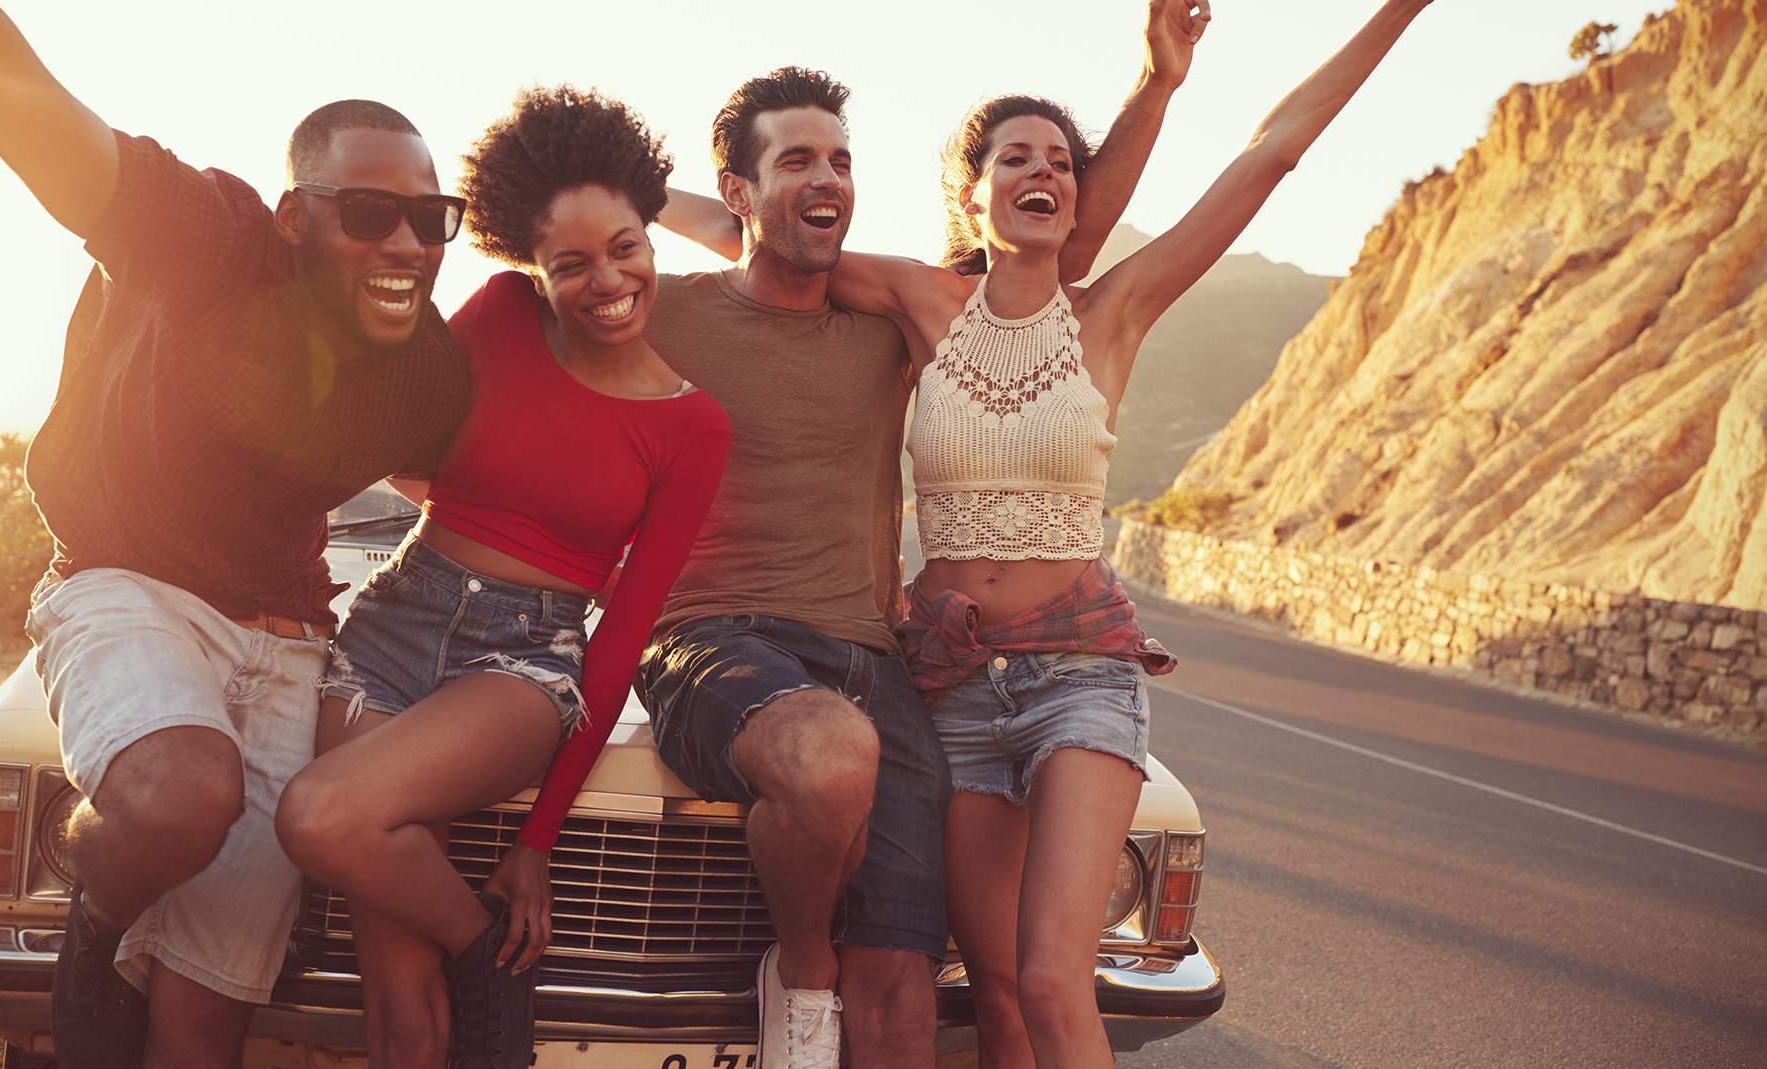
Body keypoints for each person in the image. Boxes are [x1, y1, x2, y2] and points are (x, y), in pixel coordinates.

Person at [786, 2, 1436, 1065]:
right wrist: (613, 200)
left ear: (1074, 198)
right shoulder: (917, 300)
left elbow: (1272, 153)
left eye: (1058, 161)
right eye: (1014, 157)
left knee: (1051, 980)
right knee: (992, 991)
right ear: (973, 190)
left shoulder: (1113, 312)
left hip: (1077, 675)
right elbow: (766, 241)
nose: (1040, 171)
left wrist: (1397, 11)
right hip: (949, 679)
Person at [0, 2, 475, 1067]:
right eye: (372, 212)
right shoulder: (209, 239)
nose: (407, 245)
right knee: (183, 796)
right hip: (123, 587)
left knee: (199, 1034)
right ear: (295, 214)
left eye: (433, 220)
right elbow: (25, 106)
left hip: (287, 643)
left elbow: (476, 497)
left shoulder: (422, 372)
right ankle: (94, 891)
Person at [640, 7, 1205, 1065]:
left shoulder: (990, 315)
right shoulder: (851, 303)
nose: (825, 181)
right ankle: (802, 969)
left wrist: (1157, 84)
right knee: (994, 984)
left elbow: (1071, 215)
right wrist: (634, 194)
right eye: (798, 161)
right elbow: (763, 237)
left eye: (840, 161)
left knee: (991, 986)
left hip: (977, 660)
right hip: (883, 664)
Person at [273, 87, 731, 1069]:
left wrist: (537, 841)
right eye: (570, 262)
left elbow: (621, 637)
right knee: (399, 1008)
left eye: (625, 246)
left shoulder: (694, 426)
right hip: (395, 619)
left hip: (524, 656)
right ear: (534, 263)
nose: (604, 279)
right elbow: (398, 423)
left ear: (652, 238)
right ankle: (482, 969)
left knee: (322, 814)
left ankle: (487, 954)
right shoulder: (497, 312)